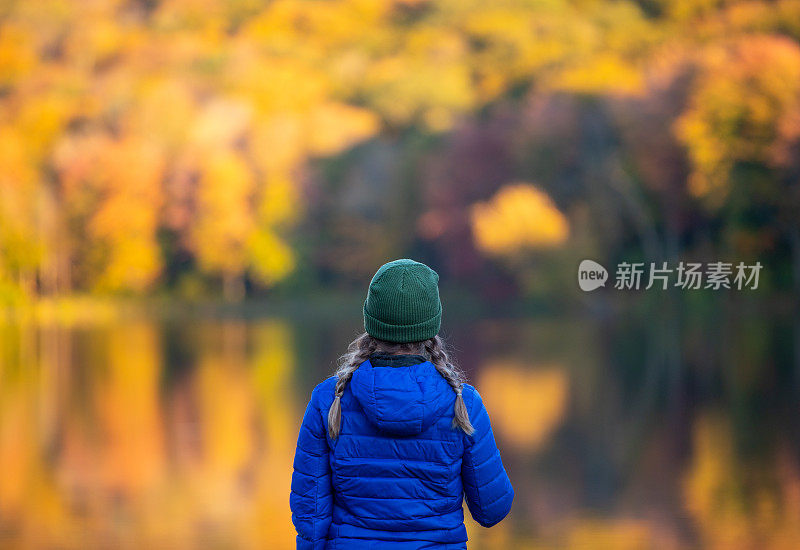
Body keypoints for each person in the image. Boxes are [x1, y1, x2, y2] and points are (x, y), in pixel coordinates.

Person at [290, 259, 514, 549]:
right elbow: (492, 509)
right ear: (432, 324)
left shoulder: (329, 400)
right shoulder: (462, 403)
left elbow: (310, 518)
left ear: (371, 320)